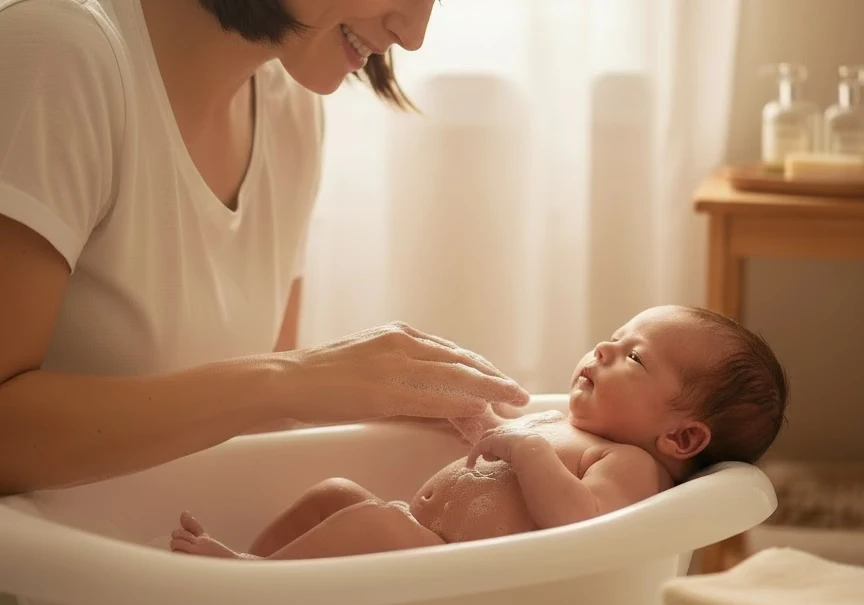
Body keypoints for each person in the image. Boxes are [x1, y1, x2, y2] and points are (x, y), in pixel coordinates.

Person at [0, 0, 530, 498]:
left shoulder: (288, 106)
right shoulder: (58, 54)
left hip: (158, 570)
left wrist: (378, 409)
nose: (413, 36)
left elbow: (255, 425)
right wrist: (293, 380)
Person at [169, 305, 790, 560]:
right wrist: (460, 405)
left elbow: (582, 524)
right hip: (421, 540)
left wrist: (525, 449)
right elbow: (487, 434)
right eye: (615, 337)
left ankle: (253, 583)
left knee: (377, 523)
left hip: (453, 572)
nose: (604, 348)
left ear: (682, 440)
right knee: (336, 491)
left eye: (633, 358)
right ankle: (253, 565)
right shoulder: (565, 424)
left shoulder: (630, 465)